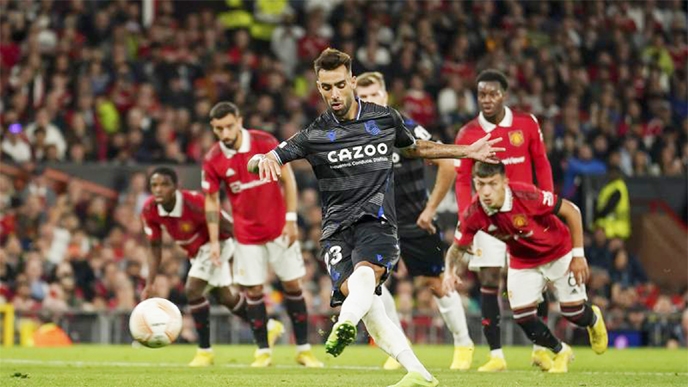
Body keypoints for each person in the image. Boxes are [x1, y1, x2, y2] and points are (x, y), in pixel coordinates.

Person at [249, 48, 503, 387]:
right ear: (318, 86)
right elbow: (265, 158)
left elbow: (415, 148)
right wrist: (262, 159)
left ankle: (344, 324)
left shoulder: (384, 118)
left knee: (366, 275)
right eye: (326, 88)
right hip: (336, 230)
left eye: (340, 85)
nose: (334, 94)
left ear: (352, 81)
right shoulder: (314, 133)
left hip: (377, 220)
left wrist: (466, 151)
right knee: (368, 303)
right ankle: (419, 373)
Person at [356, 71, 474, 371]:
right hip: (377, 223)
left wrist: (430, 210)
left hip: (413, 220)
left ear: (384, 96)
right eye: (363, 97)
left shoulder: (405, 127)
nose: (369, 101)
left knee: (435, 283)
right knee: (374, 284)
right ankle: (399, 346)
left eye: (374, 95)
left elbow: (448, 164)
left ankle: (463, 343)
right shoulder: (353, 134)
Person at [444, 161, 608, 373]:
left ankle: (593, 319)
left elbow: (572, 211)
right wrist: (449, 272)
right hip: (523, 260)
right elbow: (457, 249)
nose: (485, 191)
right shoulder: (473, 213)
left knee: (573, 312)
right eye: (480, 184)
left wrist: (578, 256)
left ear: (505, 182)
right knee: (522, 316)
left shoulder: (526, 196)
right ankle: (561, 351)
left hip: (558, 252)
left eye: (492, 184)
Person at [202, 102, 323, 368]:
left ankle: (303, 350)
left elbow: (287, 179)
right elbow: (211, 200)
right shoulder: (213, 158)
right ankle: (263, 352)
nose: (224, 133)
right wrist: (213, 240)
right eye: (219, 128)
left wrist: (291, 219)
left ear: (239, 120)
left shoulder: (263, 141)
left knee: (293, 285)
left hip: (279, 227)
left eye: (229, 126)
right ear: (213, 128)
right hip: (245, 234)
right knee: (253, 291)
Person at [454, 69, 554, 372]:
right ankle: (496, 355)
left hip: (526, 217)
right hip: (486, 219)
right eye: (482, 94)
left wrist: (547, 202)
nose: (486, 99)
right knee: (488, 280)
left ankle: (542, 349)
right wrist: (464, 218)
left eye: (492, 93)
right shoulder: (468, 133)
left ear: (504, 94)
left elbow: (542, 163)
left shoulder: (526, 123)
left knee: (536, 282)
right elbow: (461, 180)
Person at [141, 167, 280, 367]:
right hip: (197, 252)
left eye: (164, 184)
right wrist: (150, 282)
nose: (158, 189)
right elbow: (154, 246)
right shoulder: (149, 210)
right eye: (154, 185)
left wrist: (250, 254)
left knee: (193, 290)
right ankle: (268, 326)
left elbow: (229, 226)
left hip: (219, 244)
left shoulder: (195, 203)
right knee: (225, 298)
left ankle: (204, 351)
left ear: (176, 187)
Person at [594, 167, 631, 240]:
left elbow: (609, 206)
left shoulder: (618, 187)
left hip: (616, 228)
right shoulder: (609, 186)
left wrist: (597, 215)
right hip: (608, 226)